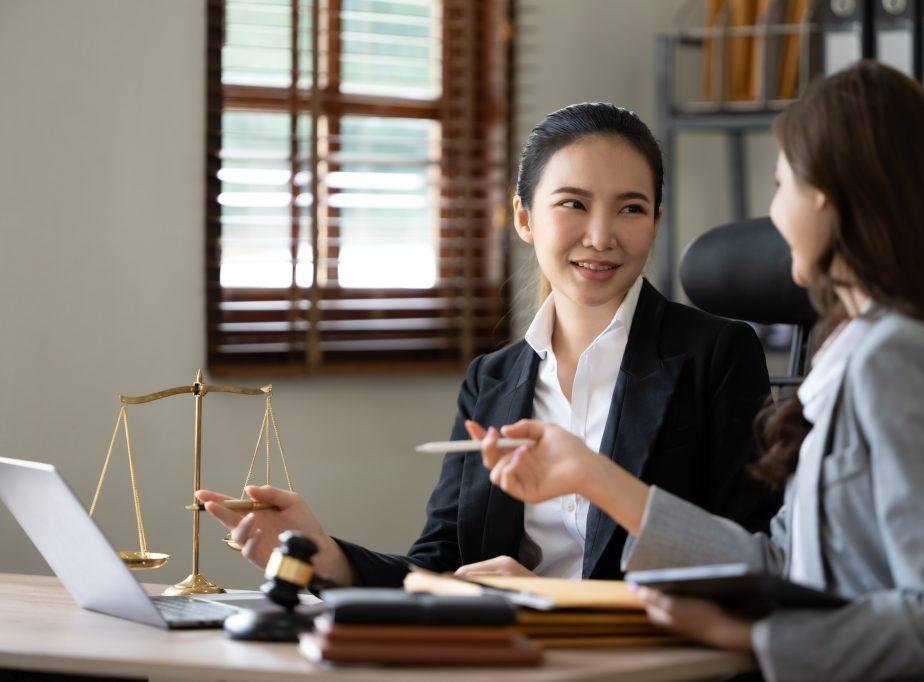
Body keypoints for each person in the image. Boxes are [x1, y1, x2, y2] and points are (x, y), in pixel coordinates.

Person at [477, 63, 924, 681]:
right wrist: (595, 477)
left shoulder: (900, 359)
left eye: (779, 182)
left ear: (824, 197)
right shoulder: (856, 352)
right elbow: (779, 559)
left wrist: (750, 635)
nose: (774, 211)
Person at [195, 102, 777, 587]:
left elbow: (744, 563)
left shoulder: (717, 355)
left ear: (655, 221)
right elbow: (440, 568)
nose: (601, 237)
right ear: (524, 218)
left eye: (631, 208)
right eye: (573, 204)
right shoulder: (492, 379)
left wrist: (547, 601)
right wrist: (322, 554)